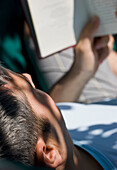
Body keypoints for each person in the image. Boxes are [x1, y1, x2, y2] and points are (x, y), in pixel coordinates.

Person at [0, 16, 116, 170]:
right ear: (49, 153)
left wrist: (81, 71)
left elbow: (51, 115)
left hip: (89, 99)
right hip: (103, 97)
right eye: (35, 93)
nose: (27, 76)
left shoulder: (50, 136)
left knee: (42, 24)